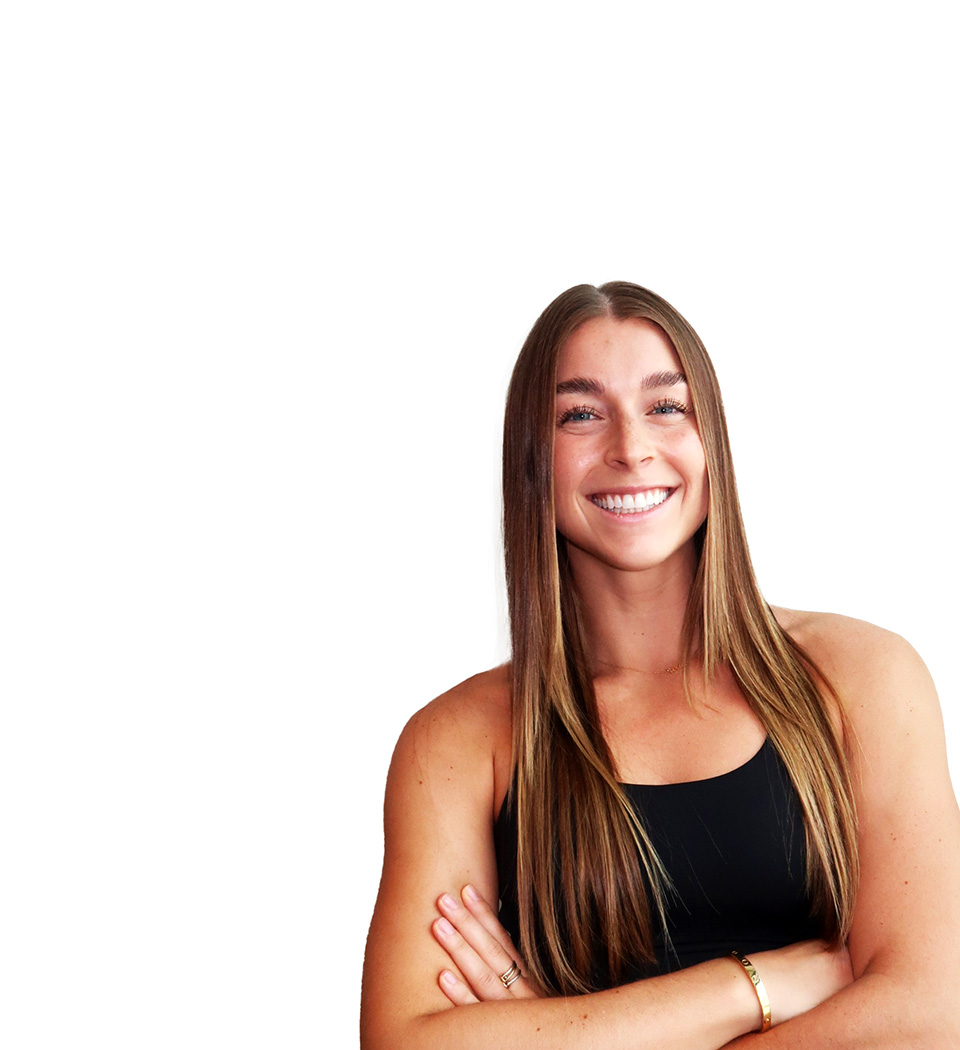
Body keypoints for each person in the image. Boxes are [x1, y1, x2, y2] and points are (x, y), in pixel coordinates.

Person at [360, 282, 960, 1049]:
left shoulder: (862, 678)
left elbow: (930, 1016)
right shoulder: (455, 741)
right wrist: (756, 985)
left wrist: (549, 1030)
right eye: (581, 413)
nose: (630, 448)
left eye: (665, 407)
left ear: (712, 438)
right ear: (531, 461)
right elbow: (408, 1043)